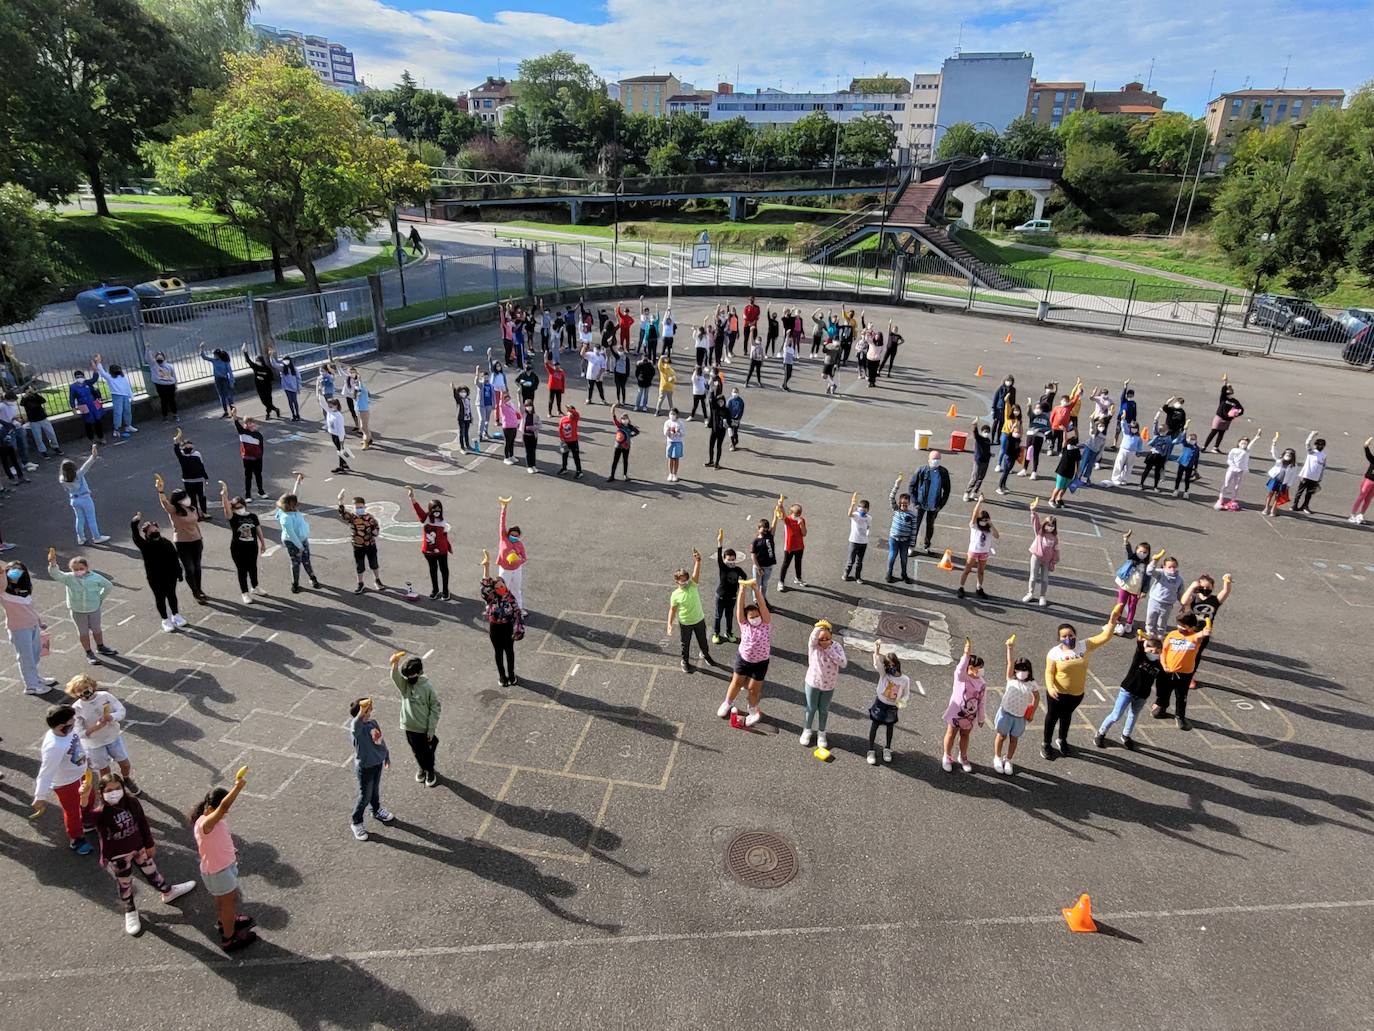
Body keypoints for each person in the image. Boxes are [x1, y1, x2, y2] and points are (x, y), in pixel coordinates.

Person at [89, 771, 195, 935]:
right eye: (109, 790)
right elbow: (87, 818)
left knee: (152, 873)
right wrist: (83, 800)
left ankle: (167, 891)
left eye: (117, 788)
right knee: (125, 883)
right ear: (101, 793)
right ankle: (130, 909)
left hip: (138, 848)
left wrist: (149, 843)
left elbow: (143, 824)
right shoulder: (101, 813)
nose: (114, 792)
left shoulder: (132, 802)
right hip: (118, 857)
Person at [1042, 603, 1123, 759]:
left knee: (1067, 717)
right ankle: (1046, 743)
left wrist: (1112, 621)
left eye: (1070, 634)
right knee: (1052, 718)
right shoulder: (1054, 653)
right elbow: (1049, 672)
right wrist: (1050, 687)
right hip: (1057, 694)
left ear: (1075, 634)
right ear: (1059, 638)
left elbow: (1104, 637)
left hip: (1076, 694)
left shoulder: (1084, 646)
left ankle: (1062, 739)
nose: (1068, 638)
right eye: (1064, 636)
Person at [189, 768, 258, 952]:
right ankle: (229, 938)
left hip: (219, 870)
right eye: (219, 811)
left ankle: (225, 921)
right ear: (211, 808)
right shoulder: (205, 823)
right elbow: (224, 807)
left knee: (223, 901)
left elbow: (221, 839)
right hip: (218, 874)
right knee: (228, 902)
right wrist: (237, 788)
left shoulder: (209, 820)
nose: (223, 814)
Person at [31, 704, 93, 854]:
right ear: (60, 726)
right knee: (72, 811)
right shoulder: (54, 747)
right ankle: (76, 838)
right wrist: (40, 796)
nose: (74, 721)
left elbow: (77, 745)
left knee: (89, 798)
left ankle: (88, 821)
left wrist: (86, 761)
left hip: (82, 774)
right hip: (67, 783)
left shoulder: (67, 732)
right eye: (71, 720)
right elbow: (46, 772)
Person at [66, 673, 138, 789]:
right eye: (80, 690)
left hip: (112, 737)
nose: (84, 691)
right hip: (94, 744)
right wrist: (96, 727)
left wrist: (112, 716)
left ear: (92, 685)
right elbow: (79, 732)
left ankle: (126, 778)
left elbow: (121, 711)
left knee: (125, 763)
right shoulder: (77, 708)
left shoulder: (105, 696)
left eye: (86, 687)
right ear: (75, 693)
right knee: (104, 770)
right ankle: (108, 789)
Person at [716, 579, 772, 728]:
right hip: (744, 660)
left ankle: (752, 710)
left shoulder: (766, 623)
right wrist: (742, 590)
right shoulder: (744, 624)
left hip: (761, 663)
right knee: (736, 682)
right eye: (751, 617)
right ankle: (728, 702)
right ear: (746, 619)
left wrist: (755, 589)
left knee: (754, 689)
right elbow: (739, 609)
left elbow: (762, 605)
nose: (755, 618)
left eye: (756, 615)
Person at [47, 548, 117, 665]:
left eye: (81, 569)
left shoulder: (95, 577)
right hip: (77, 610)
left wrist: (100, 598)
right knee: (83, 632)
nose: (78, 571)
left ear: (86, 568)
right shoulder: (69, 578)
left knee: (97, 629)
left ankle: (101, 646)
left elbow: (108, 586)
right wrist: (53, 564)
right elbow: (56, 574)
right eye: (75, 569)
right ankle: (89, 652)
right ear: (71, 569)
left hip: (93, 608)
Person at [1096, 631, 1163, 750]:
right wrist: (1140, 641)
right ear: (1145, 648)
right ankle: (1101, 733)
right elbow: (1139, 650)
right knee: (1116, 715)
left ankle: (1126, 735)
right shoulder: (1140, 657)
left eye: (1157, 652)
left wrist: (1159, 700)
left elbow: (1161, 682)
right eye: (1151, 651)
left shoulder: (1158, 666)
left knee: (1133, 715)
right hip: (1127, 691)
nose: (1154, 654)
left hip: (1142, 695)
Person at [3, 561, 58, 694]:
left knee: (35, 654)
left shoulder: (24, 591)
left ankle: (36, 678)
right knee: (25, 657)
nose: (14, 577)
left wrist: (39, 622)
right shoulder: (4, 592)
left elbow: (30, 609)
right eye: (11, 574)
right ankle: (31, 686)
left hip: (32, 626)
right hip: (19, 629)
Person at [389, 650, 441, 786]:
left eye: (411, 675)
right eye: (406, 676)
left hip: (423, 728)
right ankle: (422, 767)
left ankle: (430, 770)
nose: (408, 678)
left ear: (419, 672)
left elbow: (435, 709)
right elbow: (395, 677)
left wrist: (431, 729)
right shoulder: (405, 684)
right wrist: (395, 664)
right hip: (409, 726)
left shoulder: (427, 688)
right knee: (416, 751)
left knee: (427, 752)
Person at [1152, 613, 1212, 730]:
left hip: (1184, 675)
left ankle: (1180, 716)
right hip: (1167, 671)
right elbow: (1164, 651)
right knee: (1163, 691)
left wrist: (1206, 631)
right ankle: (1162, 707)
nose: (1180, 628)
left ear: (1192, 627)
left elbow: (1202, 634)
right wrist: (1164, 664)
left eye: (1184, 626)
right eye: (1179, 625)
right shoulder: (1172, 634)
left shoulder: (1194, 638)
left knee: (1181, 696)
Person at [155, 473, 207, 602]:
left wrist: (200, 537)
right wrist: (160, 490)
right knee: (189, 568)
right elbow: (164, 503)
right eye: (184, 497)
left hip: (196, 540)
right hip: (182, 543)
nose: (187, 499)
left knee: (197, 567)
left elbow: (195, 524)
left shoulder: (192, 509)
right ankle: (195, 592)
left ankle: (199, 588)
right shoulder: (173, 510)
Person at [348, 696, 394, 841]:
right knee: (365, 796)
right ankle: (356, 822)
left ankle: (376, 810)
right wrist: (361, 712)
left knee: (374, 790)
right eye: (368, 711)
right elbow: (356, 724)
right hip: (365, 767)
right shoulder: (358, 729)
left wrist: (386, 755)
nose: (371, 712)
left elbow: (380, 740)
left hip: (377, 763)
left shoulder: (372, 723)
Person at [130, 513, 184, 631]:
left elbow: (175, 558)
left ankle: (176, 615)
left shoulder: (167, 543)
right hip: (155, 578)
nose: (154, 531)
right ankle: (165, 619)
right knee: (160, 598)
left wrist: (179, 573)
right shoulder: (145, 545)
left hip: (170, 575)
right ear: (146, 533)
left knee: (172, 595)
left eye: (155, 529)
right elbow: (136, 537)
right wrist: (134, 524)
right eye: (151, 530)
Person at [993, 634, 1037, 775]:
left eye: (1025, 669)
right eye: (1019, 669)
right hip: (1006, 713)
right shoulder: (1010, 679)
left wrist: (1031, 713)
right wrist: (1010, 647)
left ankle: (1009, 759)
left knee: (1014, 739)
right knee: (1001, 736)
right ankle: (997, 757)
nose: (1021, 672)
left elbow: (1037, 698)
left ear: (1029, 671)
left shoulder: (1031, 684)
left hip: (1019, 717)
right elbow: (1010, 661)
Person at [799, 619, 848, 747]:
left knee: (823, 710)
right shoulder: (814, 646)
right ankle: (807, 730)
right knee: (811, 708)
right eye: (821, 639)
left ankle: (822, 733)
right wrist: (819, 626)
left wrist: (829, 649)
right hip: (812, 683)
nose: (824, 641)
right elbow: (813, 636)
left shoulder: (836, 647)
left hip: (829, 685)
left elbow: (843, 663)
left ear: (831, 635)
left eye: (827, 637)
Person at [667, 549, 717, 674]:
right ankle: (685, 661)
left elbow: (696, 573)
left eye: (685, 579)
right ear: (676, 581)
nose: (684, 582)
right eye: (681, 580)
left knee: (703, 641)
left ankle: (706, 655)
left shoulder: (693, 586)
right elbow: (672, 610)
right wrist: (669, 624)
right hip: (685, 623)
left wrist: (698, 561)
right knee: (685, 644)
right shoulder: (675, 595)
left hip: (699, 620)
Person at [479, 549, 524, 687]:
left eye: (502, 586)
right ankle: (502, 676)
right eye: (497, 587)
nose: (501, 588)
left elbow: (517, 614)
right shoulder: (491, 598)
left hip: (507, 627)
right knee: (498, 652)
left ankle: (511, 674)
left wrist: (518, 630)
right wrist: (486, 567)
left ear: (505, 585)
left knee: (509, 652)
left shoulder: (510, 598)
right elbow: (485, 584)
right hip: (495, 628)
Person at [942, 637, 987, 773]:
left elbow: (982, 702)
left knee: (965, 735)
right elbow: (960, 669)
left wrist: (981, 718)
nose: (980, 671)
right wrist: (966, 654)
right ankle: (947, 756)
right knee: (951, 733)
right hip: (956, 713)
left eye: (981, 668)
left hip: (969, 716)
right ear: (970, 668)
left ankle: (963, 756)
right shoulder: (961, 677)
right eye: (978, 668)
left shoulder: (982, 683)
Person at [1181, 572, 1232, 688]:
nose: (1205, 589)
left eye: (1208, 588)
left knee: (1196, 655)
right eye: (1202, 587)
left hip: (1204, 633)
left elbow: (1226, 591)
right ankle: (1178, 669)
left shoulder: (1215, 600)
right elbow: (1184, 601)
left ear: (1213, 588)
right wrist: (1192, 587)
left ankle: (1190, 676)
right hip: (1190, 631)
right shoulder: (1194, 598)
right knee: (1184, 651)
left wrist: (1227, 581)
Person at [865, 639, 910, 765]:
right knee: (875, 725)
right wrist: (877, 651)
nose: (891, 667)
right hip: (880, 703)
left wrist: (902, 702)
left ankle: (887, 748)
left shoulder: (904, 679)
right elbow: (877, 665)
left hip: (892, 707)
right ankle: (871, 750)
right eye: (888, 665)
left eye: (893, 664)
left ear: (897, 664)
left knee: (890, 727)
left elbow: (906, 694)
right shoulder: (884, 674)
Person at [220, 481, 266, 604]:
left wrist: (263, 543)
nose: (239, 509)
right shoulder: (233, 517)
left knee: (253, 567)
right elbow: (226, 509)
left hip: (252, 546)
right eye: (236, 507)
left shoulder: (253, 516)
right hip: (238, 548)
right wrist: (224, 496)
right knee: (242, 570)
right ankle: (244, 593)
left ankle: (255, 587)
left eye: (241, 507)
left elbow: (258, 530)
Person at [275, 473, 321, 594]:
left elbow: (295, 495)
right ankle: (295, 584)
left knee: (306, 560)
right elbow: (290, 534)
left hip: (302, 539)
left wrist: (298, 482)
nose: (297, 504)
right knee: (296, 562)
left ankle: (312, 577)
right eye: (295, 503)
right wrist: (300, 546)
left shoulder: (290, 509)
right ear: (290, 506)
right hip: (293, 542)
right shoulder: (286, 518)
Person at [60, 445, 111, 545]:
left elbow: (66, 489)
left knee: (79, 519)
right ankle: (96, 537)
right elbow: (87, 465)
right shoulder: (78, 474)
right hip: (85, 498)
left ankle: (81, 538)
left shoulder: (62, 479)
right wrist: (93, 455)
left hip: (74, 500)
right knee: (91, 518)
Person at [408, 487, 452, 600]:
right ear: (430, 509)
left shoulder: (442, 521)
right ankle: (435, 589)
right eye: (434, 509)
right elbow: (418, 509)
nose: (437, 511)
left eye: (439, 509)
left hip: (442, 551)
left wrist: (448, 547)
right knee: (433, 569)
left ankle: (445, 590)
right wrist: (412, 497)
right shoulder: (425, 518)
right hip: (428, 550)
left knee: (444, 570)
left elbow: (445, 536)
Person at [338, 491, 385, 594]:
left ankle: (377, 580)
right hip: (358, 546)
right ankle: (360, 583)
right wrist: (340, 500)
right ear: (353, 508)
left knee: (374, 563)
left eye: (360, 507)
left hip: (370, 544)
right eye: (356, 507)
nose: (359, 509)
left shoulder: (370, 518)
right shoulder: (352, 517)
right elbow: (342, 513)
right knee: (359, 565)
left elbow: (376, 528)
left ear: (364, 506)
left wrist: (375, 532)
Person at [908, 451, 951, 555]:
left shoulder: (943, 472)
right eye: (933, 459)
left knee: (930, 525)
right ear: (929, 460)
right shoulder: (921, 470)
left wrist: (940, 505)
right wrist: (915, 503)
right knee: (915, 525)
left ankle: (927, 546)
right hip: (920, 504)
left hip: (934, 505)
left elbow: (947, 490)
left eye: (937, 459)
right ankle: (911, 546)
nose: (935, 461)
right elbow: (911, 486)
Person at [1113, 532, 1154, 635]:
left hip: (1136, 590)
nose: (1142, 554)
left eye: (1145, 552)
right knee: (1120, 604)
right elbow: (1128, 550)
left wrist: (1144, 591)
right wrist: (1126, 540)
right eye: (1140, 551)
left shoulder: (1146, 566)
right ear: (1136, 551)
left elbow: (1148, 579)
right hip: (1125, 585)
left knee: (1132, 606)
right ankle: (1116, 621)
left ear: (1148, 554)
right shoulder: (1132, 559)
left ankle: (1129, 623)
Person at [957, 497, 998, 600]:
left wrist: (991, 524)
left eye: (986, 520)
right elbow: (975, 513)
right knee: (967, 570)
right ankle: (961, 587)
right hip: (973, 551)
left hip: (984, 553)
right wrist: (979, 502)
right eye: (982, 520)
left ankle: (979, 588)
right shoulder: (974, 526)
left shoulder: (989, 529)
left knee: (981, 571)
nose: (983, 522)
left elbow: (997, 535)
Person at [712, 529, 747, 645]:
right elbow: (719, 555)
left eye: (733, 559)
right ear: (724, 559)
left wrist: (741, 584)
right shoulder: (723, 567)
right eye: (728, 559)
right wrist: (719, 543)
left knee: (729, 616)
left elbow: (745, 576)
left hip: (732, 597)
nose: (731, 561)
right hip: (720, 596)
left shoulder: (737, 569)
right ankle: (716, 633)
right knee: (718, 616)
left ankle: (729, 632)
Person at [1023, 498, 1058, 607]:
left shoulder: (1055, 538)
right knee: (1033, 577)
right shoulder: (1039, 532)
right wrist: (1033, 511)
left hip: (1047, 561)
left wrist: (1054, 561)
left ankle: (1042, 596)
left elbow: (1056, 550)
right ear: (1044, 525)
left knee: (1044, 579)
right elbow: (1035, 522)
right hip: (1036, 557)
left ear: (1054, 527)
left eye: (1052, 526)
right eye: (1048, 525)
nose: (1049, 527)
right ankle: (1030, 593)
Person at [1215, 430, 1261, 511]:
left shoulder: (1247, 451)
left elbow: (1251, 444)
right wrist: (1233, 466)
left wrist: (1256, 437)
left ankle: (1233, 501)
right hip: (1232, 469)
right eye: (1242, 443)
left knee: (1236, 486)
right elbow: (1229, 459)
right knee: (1226, 484)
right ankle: (1220, 499)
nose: (1244, 444)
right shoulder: (1234, 450)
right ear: (1238, 443)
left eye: (1245, 443)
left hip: (1240, 471)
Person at [495, 496, 527, 613]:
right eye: (512, 534)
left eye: (516, 535)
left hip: (516, 569)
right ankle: (500, 608)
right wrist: (504, 508)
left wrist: (517, 559)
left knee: (516, 590)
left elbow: (524, 558)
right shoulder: (504, 539)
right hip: (505, 570)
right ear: (508, 534)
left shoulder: (519, 544)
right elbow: (502, 524)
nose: (513, 537)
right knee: (502, 589)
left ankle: (519, 609)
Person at [171, 428, 210, 518]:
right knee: (192, 499)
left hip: (199, 479)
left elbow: (201, 466)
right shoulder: (182, 456)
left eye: (190, 446)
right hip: (188, 481)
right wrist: (176, 440)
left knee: (202, 497)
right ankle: (195, 514)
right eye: (187, 447)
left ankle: (204, 512)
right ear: (183, 448)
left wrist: (205, 477)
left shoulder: (197, 454)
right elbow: (176, 450)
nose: (189, 448)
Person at [1144, 553, 1184, 638]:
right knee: (1151, 618)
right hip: (1154, 601)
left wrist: (1183, 604)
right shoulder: (1161, 574)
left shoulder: (1179, 579)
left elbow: (1180, 593)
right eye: (1169, 567)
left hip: (1167, 605)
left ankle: (1160, 635)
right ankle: (1149, 633)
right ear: (1164, 567)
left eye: (1174, 567)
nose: (1172, 569)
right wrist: (1154, 561)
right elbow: (1149, 571)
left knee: (1162, 621)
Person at [230, 407, 266, 500]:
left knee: (258, 475)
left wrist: (260, 456)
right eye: (249, 423)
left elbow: (261, 448)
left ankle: (260, 491)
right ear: (245, 425)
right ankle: (248, 494)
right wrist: (234, 415)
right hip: (247, 458)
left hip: (257, 459)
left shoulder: (258, 435)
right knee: (248, 477)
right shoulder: (242, 432)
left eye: (252, 422)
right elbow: (236, 423)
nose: (252, 424)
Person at [885, 479, 916, 584]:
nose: (903, 505)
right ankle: (889, 574)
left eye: (906, 503)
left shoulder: (912, 515)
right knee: (892, 556)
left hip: (905, 541)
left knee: (904, 558)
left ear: (909, 504)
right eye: (902, 503)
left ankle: (904, 574)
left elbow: (914, 530)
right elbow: (891, 497)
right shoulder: (896, 509)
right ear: (899, 502)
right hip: (894, 539)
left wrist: (912, 544)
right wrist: (896, 485)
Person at [1202, 374, 1243, 452]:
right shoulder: (1223, 398)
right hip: (1219, 418)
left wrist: (1238, 413)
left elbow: (1241, 409)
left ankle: (1215, 447)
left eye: (1231, 393)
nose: (1230, 395)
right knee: (1213, 432)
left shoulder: (1235, 401)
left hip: (1227, 420)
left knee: (1221, 433)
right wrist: (1225, 382)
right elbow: (1223, 390)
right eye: (1228, 394)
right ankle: (1204, 446)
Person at [1263, 433, 1301, 517]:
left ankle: (1273, 509)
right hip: (1275, 480)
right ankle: (1266, 508)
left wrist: (1289, 485)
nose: (1288, 455)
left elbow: (1293, 476)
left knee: (1278, 496)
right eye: (1287, 453)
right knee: (1270, 493)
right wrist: (1274, 443)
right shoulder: (1279, 460)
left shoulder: (1294, 466)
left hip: (1283, 483)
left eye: (1290, 454)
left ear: (1293, 456)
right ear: (1284, 454)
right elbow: (1274, 453)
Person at [1292, 431, 1328, 514]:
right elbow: (1307, 443)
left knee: (1309, 493)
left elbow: (1323, 467)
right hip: (1306, 475)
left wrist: (1320, 478)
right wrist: (1312, 435)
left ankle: (1305, 506)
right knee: (1300, 492)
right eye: (1318, 444)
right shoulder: (1311, 452)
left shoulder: (1324, 455)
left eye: (1322, 445)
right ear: (1315, 445)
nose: (1320, 446)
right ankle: (1294, 505)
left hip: (1315, 478)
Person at [751, 503, 781, 600]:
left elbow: (774, 523)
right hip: (758, 567)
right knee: (756, 585)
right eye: (763, 529)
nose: (765, 531)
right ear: (758, 528)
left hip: (768, 566)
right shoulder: (755, 541)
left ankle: (762, 599)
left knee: (764, 584)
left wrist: (775, 513)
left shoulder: (770, 535)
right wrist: (758, 568)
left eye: (766, 529)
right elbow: (753, 556)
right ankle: (756, 600)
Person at [21, 385, 62, 457]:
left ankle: (55, 447)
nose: (30, 392)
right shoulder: (25, 399)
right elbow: (22, 403)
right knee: (38, 437)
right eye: (28, 390)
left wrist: (35, 393)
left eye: (31, 390)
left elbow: (43, 401)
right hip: (33, 421)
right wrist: (26, 395)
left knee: (51, 434)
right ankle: (43, 451)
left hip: (43, 418)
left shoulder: (36, 396)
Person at [242, 348, 281, 419]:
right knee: (264, 402)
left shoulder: (267, 369)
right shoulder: (255, 367)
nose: (257, 362)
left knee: (268, 401)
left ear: (261, 361)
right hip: (259, 388)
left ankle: (269, 413)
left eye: (258, 360)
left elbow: (272, 378)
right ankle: (274, 410)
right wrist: (245, 352)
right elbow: (248, 361)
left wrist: (264, 378)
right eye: (256, 361)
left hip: (267, 388)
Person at [778, 501, 807, 591]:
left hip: (799, 547)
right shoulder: (788, 520)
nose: (797, 517)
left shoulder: (801, 520)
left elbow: (804, 533)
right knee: (785, 564)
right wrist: (780, 506)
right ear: (791, 513)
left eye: (798, 515)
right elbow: (782, 513)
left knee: (798, 563)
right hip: (789, 547)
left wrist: (801, 525)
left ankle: (798, 579)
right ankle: (781, 582)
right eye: (795, 515)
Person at [1105, 420, 1143, 487]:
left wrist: (1139, 452)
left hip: (1132, 452)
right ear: (1130, 428)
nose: (1134, 429)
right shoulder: (1126, 432)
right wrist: (1123, 420)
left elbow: (1140, 445)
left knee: (1128, 466)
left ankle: (1125, 479)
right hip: (1123, 450)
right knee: (1119, 464)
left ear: (1138, 429)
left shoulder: (1138, 437)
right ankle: (1115, 479)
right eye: (1132, 428)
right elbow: (1123, 426)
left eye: (1135, 428)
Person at [200, 348, 235, 417]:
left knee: (227, 395)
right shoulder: (214, 361)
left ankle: (232, 410)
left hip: (224, 380)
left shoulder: (225, 362)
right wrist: (202, 349)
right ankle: (225, 411)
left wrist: (231, 382)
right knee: (221, 396)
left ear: (218, 355)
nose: (214, 356)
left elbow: (230, 372)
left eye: (215, 355)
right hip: (217, 380)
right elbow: (204, 357)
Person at [844, 493, 870, 583]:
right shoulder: (855, 515)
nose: (863, 510)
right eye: (861, 508)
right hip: (854, 541)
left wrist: (866, 533)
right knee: (851, 560)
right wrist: (852, 504)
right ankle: (846, 575)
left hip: (863, 542)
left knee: (860, 561)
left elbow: (867, 527)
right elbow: (849, 514)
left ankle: (858, 577)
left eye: (865, 509)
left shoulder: (869, 518)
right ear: (858, 508)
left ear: (868, 510)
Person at [608, 404, 638, 482]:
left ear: (628, 419)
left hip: (626, 446)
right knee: (615, 460)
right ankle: (612, 475)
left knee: (625, 460)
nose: (624, 420)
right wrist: (613, 410)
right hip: (618, 446)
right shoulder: (620, 426)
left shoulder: (630, 427)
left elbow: (637, 432)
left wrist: (631, 436)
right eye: (623, 418)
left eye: (626, 418)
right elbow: (614, 418)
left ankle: (625, 475)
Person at [964, 421, 993, 502]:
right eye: (985, 431)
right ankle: (967, 492)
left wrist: (990, 455)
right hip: (978, 461)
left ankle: (974, 493)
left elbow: (987, 450)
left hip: (985, 462)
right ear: (982, 432)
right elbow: (975, 434)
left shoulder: (988, 440)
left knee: (981, 478)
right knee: (974, 477)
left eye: (988, 432)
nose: (986, 433)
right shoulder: (979, 439)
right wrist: (975, 426)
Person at [1349, 437, 1374, 525]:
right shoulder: (1373, 459)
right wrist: (1368, 441)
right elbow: (1366, 450)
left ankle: (1361, 515)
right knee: (1361, 496)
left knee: (1368, 500)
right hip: (1368, 480)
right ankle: (1352, 515)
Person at [148, 352, 179, 423]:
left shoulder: (168, 366)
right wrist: (148, 349)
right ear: (155, 359)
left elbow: (173, 376)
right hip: (161, 386)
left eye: (161, 358)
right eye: (158, 358)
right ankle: (165, 416)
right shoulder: (154, 366)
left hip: (170, 385)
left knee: (172, 400)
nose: (159, 360)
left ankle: (175, 414)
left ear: (164, 358)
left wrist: (175, 385)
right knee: (164, 401)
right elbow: (148, 358)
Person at [325, 398, 351, 473]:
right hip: (333, 434)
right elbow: (321, 401)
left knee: (339, 450)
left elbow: (341, 429)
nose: (329, 406)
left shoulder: (339, 416)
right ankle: (344, 463)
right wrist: (319, 391)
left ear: (336, 405)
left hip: (338, 436)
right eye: (329, 405)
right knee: (339, 449)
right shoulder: (330, 411)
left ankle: (341, 466)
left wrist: (341, 439)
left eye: (331, 405)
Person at [556, 405, 583, 478]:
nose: (570, 414)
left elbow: (577, 414)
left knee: (576, 456)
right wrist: (562, 439)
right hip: (565, 441)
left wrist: (571, 410)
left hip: (574, 441)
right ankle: (564, 468)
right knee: (564, 455)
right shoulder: (563, 419)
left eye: (571, 412)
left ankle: (579, 471)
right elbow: (560, 429)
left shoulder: (575, 419)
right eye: (568, 412)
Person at [274, 354, 302, 421]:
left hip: (294, 387)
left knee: (294, 401)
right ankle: (293, 414)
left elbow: (298, 378)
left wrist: (298, 387)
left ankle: (297, 414)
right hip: (287, 387)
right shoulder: (282, 368)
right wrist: (271, 356)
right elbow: (274, 364)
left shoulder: (294, 369)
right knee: (290, 401)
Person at [705, 390, 729, 468]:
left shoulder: (727, 410)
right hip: (714, 430)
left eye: (722, 402)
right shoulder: (715, 408)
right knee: (711, 446)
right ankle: (711, 461)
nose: (720, 403)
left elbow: (729, 420)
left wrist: (727, 422)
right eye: (719, 402)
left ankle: (717, 463)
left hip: (721, 432)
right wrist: (712, 390)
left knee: (719, 447)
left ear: (724, 402)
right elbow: (712, 400)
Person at [451, 383, 476, 454]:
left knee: (466, 432)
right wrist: (453, 388)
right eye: (461, 392)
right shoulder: (459, 400)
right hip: (461, 418)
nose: (463, 393)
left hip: (467, 418)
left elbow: (469, 409)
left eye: (464, 392)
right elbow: (455, 396)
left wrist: (471, 417)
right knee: (461, 432)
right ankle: (462, 447)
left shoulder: (468, 400)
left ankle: (468, 445)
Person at [518, 398, 541, 474]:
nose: (529, 407)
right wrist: (519, 394)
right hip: (526, 436)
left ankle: (533, 465)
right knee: (528, 451)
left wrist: (533, 427)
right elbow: (520, 406)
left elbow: (540, 425)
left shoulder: (535, 416)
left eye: (530, 405)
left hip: (533, 436)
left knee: (533, 451)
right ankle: (529, 466)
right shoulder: (524, 414)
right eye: (527, 406)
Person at [497, 391, 520, 465]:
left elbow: (515, 413)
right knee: (507, 442)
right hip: (507, 427)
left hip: (514, 426)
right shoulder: (503, 406)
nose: (507, 399)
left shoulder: (511, 404)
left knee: (512, 442)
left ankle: (511, 456)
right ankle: (506, 458)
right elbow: (500, 403)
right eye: (505, 398)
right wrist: (501, 395)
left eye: (508, 397)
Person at [663, 408, 685, 483]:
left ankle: (675, 474)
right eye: (671, 414)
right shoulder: (667, 422)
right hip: (670, 442)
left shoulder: (680, 423)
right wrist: (668, 430)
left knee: (676, 458)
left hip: (678, 442)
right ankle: (670, 473)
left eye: (673, 414)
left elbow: (683, 433)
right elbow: (665, 433)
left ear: (677, 415)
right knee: (670, 458)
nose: (672, 415)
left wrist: (679, 431)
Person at [354, 374, 373, 449]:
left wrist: (359, 379)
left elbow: (360, 385)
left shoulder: (363, 389)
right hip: (360, 409)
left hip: (364, 410)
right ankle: (369, 438)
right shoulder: (357, 391)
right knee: (364, 427)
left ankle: (366, 442)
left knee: (363, 427)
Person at [726, 388, 745, 452]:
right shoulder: (729, 401)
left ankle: (735, 441)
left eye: (736, 392)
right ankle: (733, 445)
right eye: (734, 392)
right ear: (731, 392)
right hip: (730, 418)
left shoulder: (741, 401)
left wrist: (739, 418)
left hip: (736, 418)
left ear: (738, 393)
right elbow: (727, 410)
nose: (735, 393)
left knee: (735, 432)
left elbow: (741, 410)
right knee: (730, 431)